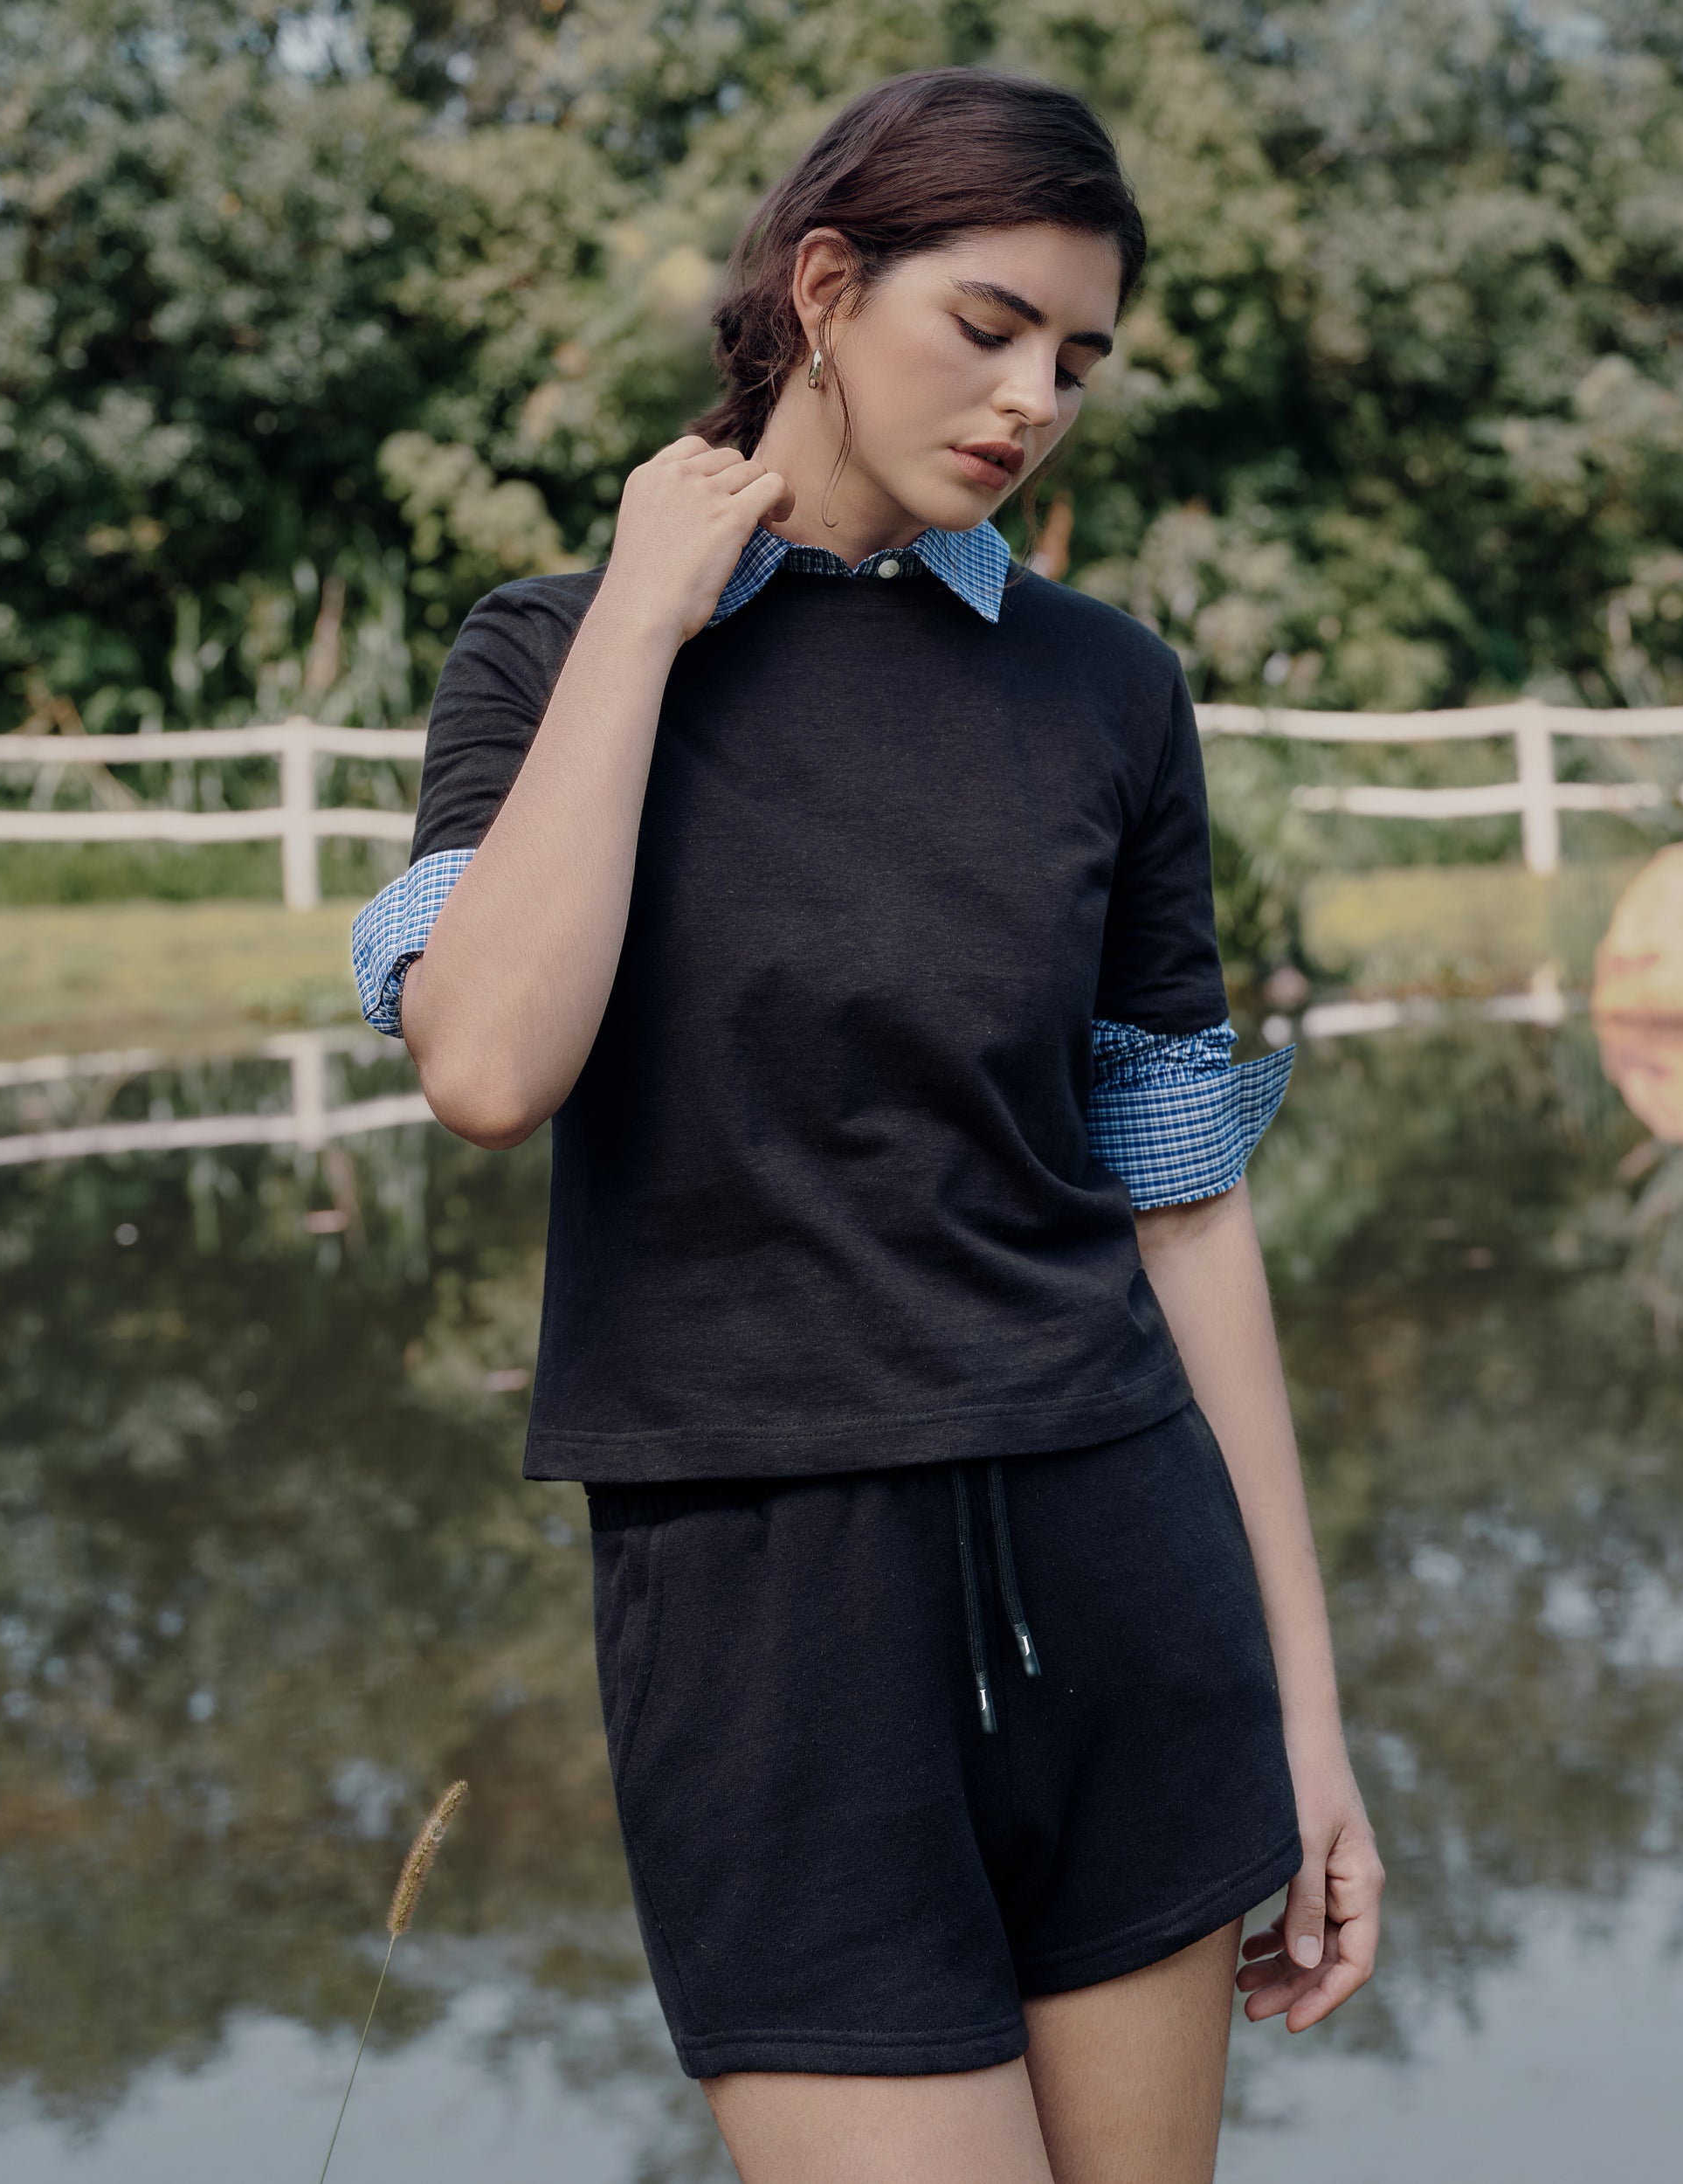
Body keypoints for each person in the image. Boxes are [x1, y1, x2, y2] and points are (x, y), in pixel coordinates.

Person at [351, 66, 1383, 2184]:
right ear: (824, 287)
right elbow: (486, 1067)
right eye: (986, 326)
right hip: (766, 1625)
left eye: (1076, 360)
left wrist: (1309, 1711)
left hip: (1122, 1568)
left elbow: (1184, 1208)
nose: (1031, 402)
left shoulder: (1107, 689)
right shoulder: (549, 652)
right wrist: (649, 609)